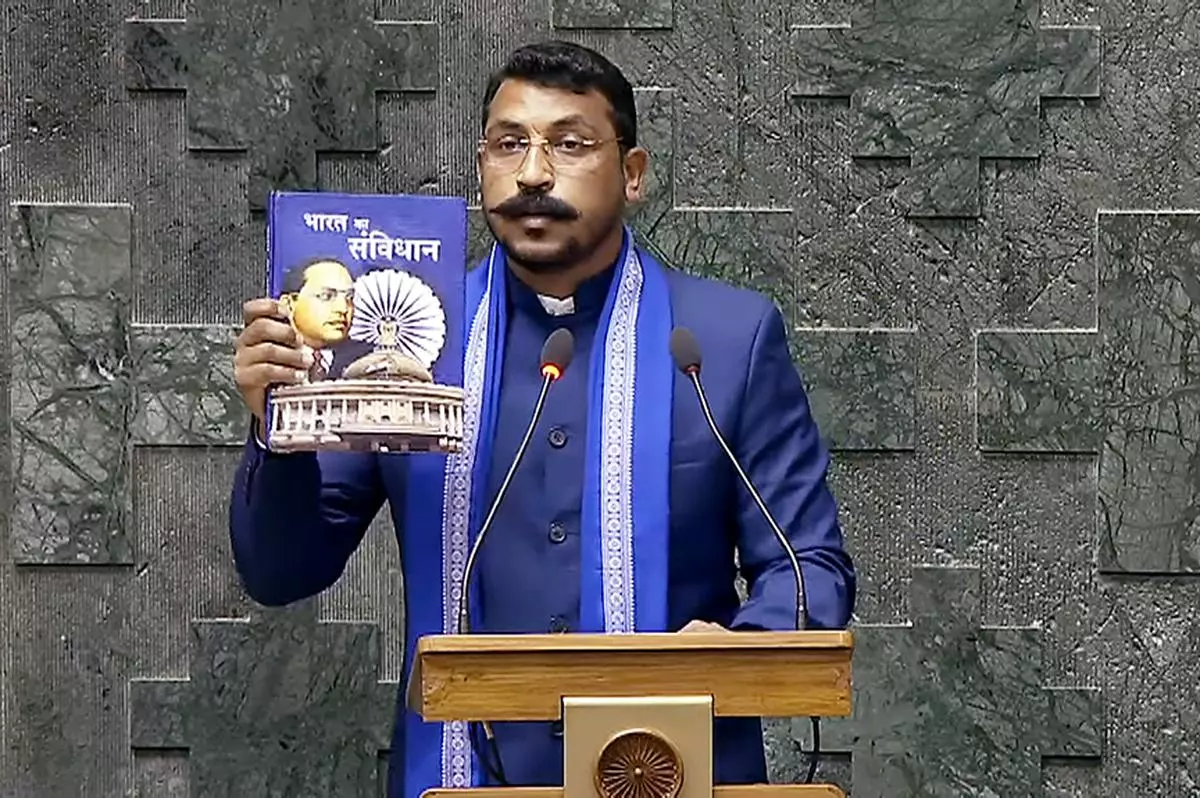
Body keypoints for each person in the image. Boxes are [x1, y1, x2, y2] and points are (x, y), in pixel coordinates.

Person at [229, 40, 856, 798]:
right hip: (463, 778)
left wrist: (732, 652)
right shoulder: (406, 353)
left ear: (633, 174)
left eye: (570, 144)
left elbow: (809, 572)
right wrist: (281, 429)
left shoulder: (721, 342)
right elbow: (280, 571)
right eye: (508, 144)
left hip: (669, 770)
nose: (532, 173)